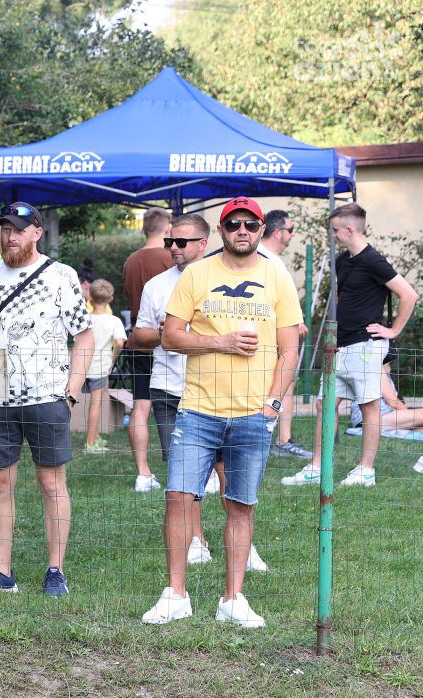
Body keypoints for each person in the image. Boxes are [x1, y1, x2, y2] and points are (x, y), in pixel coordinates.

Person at [142, 196, 302, 628]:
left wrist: (273, 404)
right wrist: (221, 342)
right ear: (222, 230)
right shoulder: (197, 274)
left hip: (253, 414)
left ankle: (233, 599)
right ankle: (175, 595)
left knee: (241, 504)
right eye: (234, 224)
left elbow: (290, 348)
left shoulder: (277, 276)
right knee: (179, 498)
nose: (242, 230)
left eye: (250, 224)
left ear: (261, 229)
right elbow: (170, 337)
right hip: (198, 410)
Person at [0, 203, 92, 596]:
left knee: (51, 482)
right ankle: (2, 572)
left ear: (37, 232)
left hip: (46, 397)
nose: (10, 236)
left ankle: (56, 570)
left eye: (18, 229)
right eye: (5, 229)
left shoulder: (60, 275)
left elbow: (84, 335)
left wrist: (71, 391)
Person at [136, 215, 271, 572]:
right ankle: (196, 540)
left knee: (229, 470)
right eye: (170, 242)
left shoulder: (227, 277)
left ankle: (245, 545)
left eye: (181, 243)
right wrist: (168, 331)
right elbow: (140, 335)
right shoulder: (156, 286)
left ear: (202, 242)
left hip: (222, 392)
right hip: (170, 387)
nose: (174, 249)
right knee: (183, 478)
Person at [282, 203, 418, 489]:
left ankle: (365, 470)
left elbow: (409, 294)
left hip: (366, 346)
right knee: (325, 404)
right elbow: (343, 300)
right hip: (340, 346)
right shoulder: (342, 261)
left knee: (369, 406)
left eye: (334, 230)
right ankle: (317, 467)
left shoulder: (373, 260)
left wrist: (393, 330)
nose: (332, 236)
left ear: (350, 229)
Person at [122, 207, 173, 492]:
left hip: (137, 341)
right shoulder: (169, 258)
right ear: (167, 230)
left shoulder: (131, 260)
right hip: (164, 342)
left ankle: (143, 472)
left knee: (140, 406)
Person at [258, 209, 312, 460]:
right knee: (279, 382)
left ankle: (282, 439)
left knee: (286, 382)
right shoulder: (267, 259)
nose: (292, 235)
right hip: (270, 335)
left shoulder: (270, 258)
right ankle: (273, 439)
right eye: (290, 230)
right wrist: (292, 324)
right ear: (278, 232)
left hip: (276, 332)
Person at [82, 279, 126, 454]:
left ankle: (95, 437)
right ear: (111, 299)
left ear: (90, 298)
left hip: (82, 366)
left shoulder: (84, 318)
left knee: (73, 401)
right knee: (96, 404)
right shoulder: (114, 320)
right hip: (100, 368)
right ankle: (90, 443)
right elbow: (120, 343)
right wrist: (113, 360)